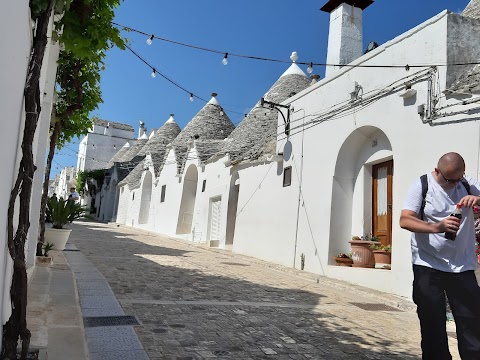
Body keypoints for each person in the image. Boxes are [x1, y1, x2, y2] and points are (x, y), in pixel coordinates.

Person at [400, 152, 480, 359]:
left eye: (458, 179)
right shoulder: (422, 185)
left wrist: (477, 198)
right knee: (432, 323)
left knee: (472, 322)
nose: (454, 184)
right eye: (449, 180)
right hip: (427, 263)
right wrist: (437, 226)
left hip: (462, 265)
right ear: (437, 171)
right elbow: (405, 220)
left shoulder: (467, 183)